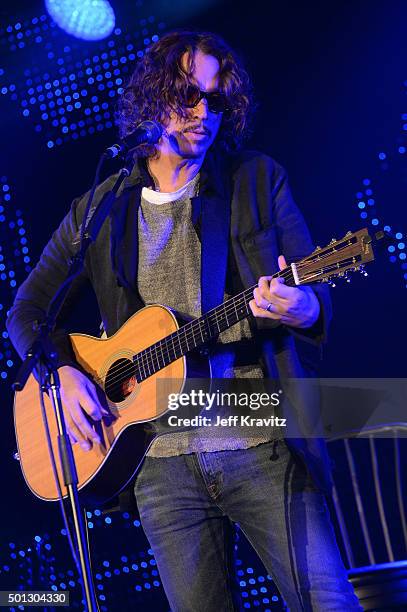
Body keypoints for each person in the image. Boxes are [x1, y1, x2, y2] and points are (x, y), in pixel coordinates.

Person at [7, 30, 362, 611]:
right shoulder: (99, 207)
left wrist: (306, 305)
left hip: (258, 441)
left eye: (216, 101)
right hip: (157, 468)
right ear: (152, 98)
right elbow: (25, 311)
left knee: (330, 602)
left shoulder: (255, 180)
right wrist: (61, 376)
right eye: (186, 96)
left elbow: (315, 294)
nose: (202, 114)